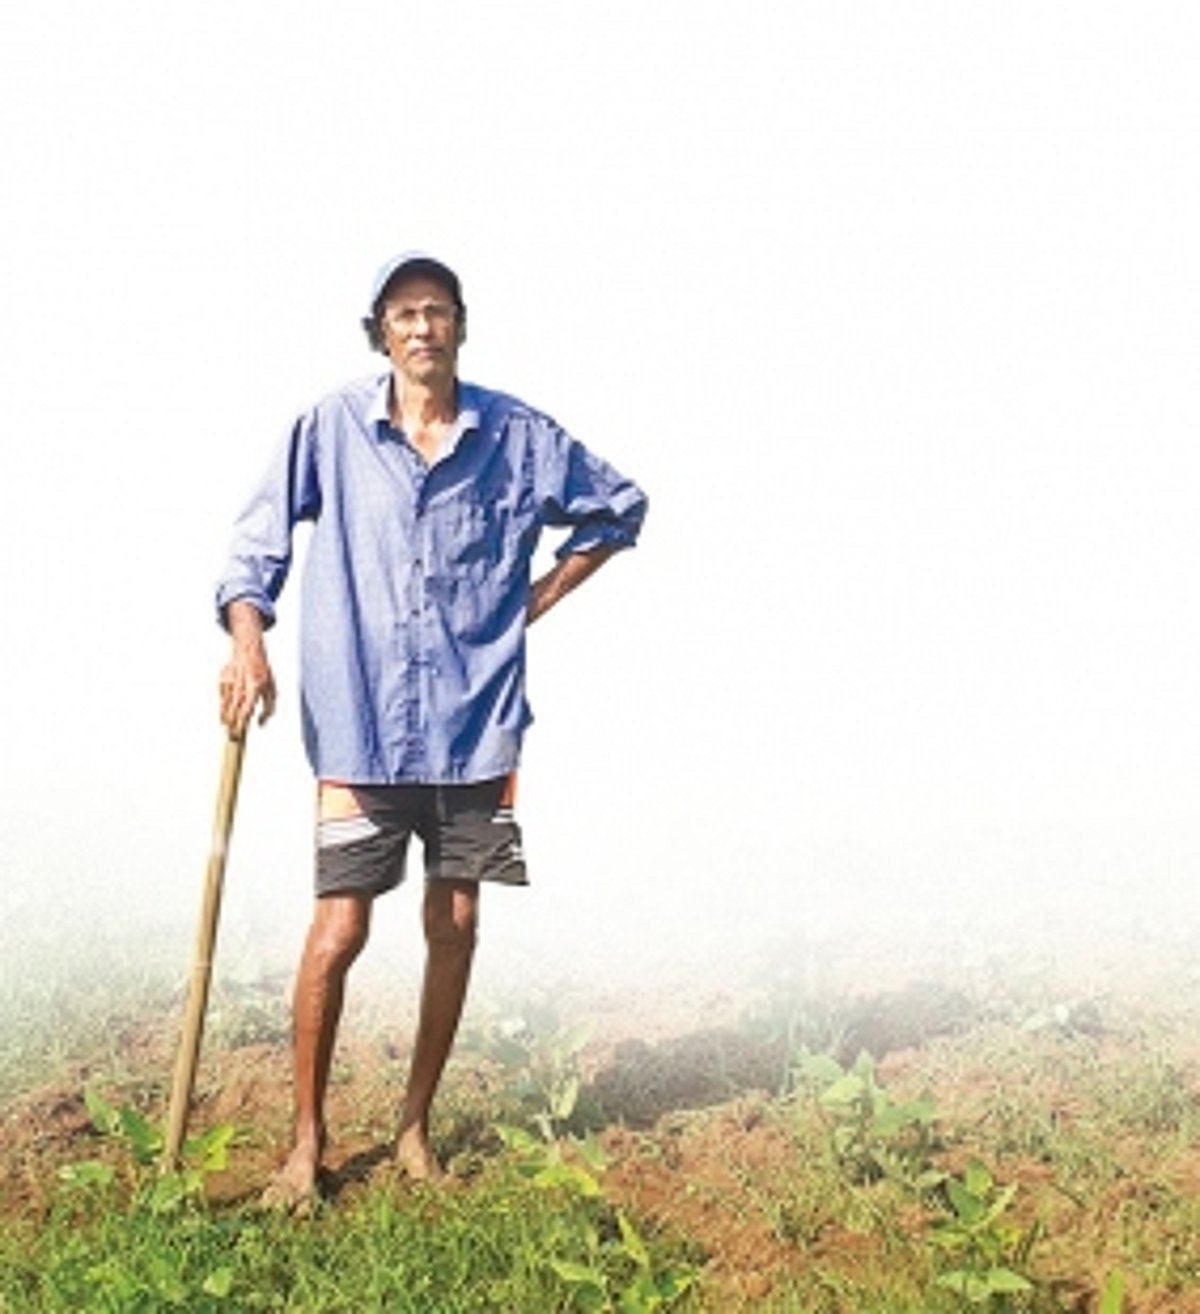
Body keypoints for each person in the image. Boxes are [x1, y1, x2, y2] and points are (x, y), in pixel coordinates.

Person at [215, 251, 646, 1205]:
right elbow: (253, 553)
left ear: (460, 327)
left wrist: (538, 597)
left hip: (474, 725)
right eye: (405, 313)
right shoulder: (331, 429)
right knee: (338, 930)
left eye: (438, 311)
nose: (423, 327)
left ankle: (413, 1129)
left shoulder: (517, 436)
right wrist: (248, 644)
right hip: (361, 725)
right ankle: (305, 1145)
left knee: (456, 923)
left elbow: (618, 509)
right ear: (381, 332)